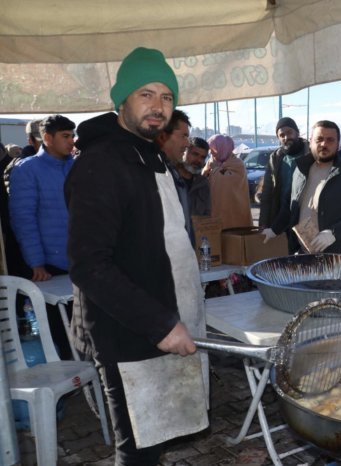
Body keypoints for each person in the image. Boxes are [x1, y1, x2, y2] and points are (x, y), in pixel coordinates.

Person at [65, 46, 208, 464]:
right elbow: (89, 264)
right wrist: (161, 324)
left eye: (166, 97)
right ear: (122, 99)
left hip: (164, 323)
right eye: (145, 94)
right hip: (129, 334)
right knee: (139, 451)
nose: (158, 107)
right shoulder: (102, 164)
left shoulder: (149, 157)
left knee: (158, 442)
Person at [290, 120, 341, 254]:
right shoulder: (300, 170)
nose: (324, 144)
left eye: (330, 140)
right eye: (319, 139)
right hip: (303, 253)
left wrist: (333, 233)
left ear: (338, 143)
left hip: (338, 256)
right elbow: (292, 207)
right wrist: (272, 229)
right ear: (310, 141)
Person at [9, 114, 75, 281]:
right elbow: (23, 220)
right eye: (65, 136)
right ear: (47, 138)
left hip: (80, 260)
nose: (71, 141)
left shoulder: (77, 166)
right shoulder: (26, 170)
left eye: (72, 136)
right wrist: (36, 262)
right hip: (47, 267)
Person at [259, 116, 308, 252]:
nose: (286, 137)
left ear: (297, 133)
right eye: (282, 135)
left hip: (305, 217)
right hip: (281, 218)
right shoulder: (275, 158)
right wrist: (263, 224)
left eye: (289, 132)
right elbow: (267, 193)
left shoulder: (311, 154)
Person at [157, 109, 197, 242]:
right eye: (183, 136)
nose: (187, 144)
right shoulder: (152, 174)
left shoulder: (171, 172)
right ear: (163, 135)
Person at [208, 133, 253, 229]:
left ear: (222, 148)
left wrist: (215, 169)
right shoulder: (211, 162)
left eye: (213, 149)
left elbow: (228, 182)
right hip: (215, 213)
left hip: (236, 213)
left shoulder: (237, 164)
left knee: (234, 241)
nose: (211, 152)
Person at [182, 136, 211, 217]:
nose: (198, 160)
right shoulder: (171, 178)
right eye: (195, 154)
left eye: (203, 157)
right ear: (184, 152)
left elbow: (207, 213)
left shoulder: (203, 183)